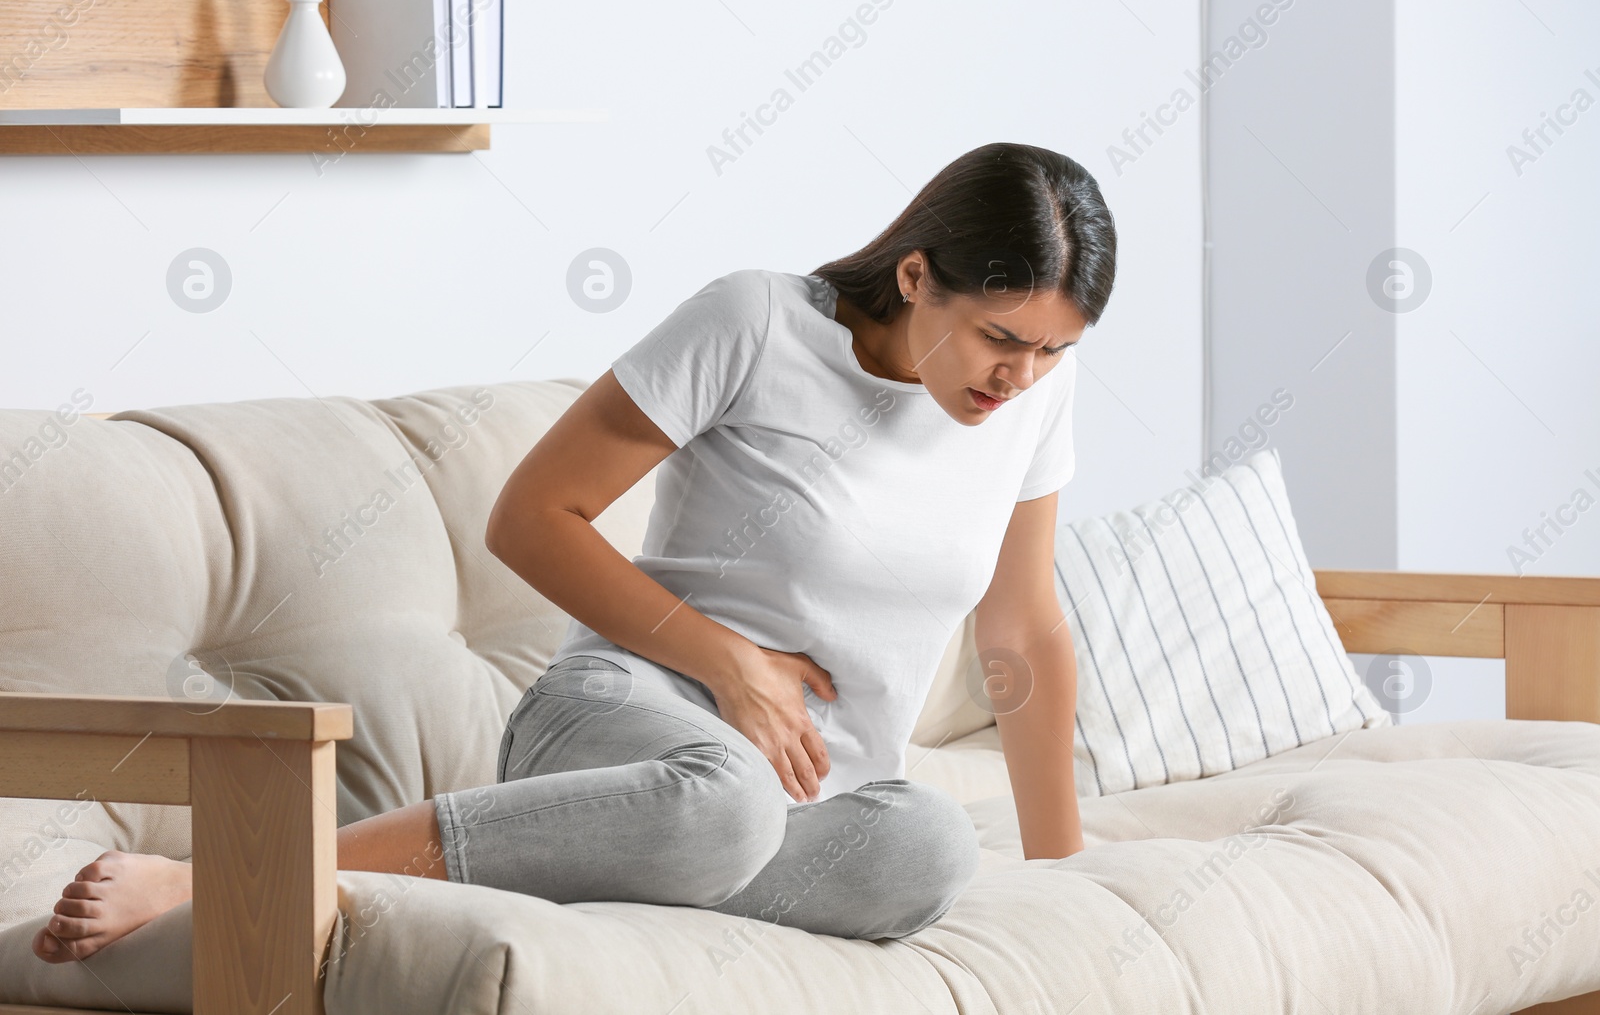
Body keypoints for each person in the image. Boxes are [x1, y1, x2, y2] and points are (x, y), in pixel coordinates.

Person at [33, 140, 1116, 963]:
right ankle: (216, 879)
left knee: (927, 843)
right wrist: (728, 666)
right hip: (623, 715)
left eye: (1054, 350)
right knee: (721, 803)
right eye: (1001, 339)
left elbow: (1022, 624)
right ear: (919, 274)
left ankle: (588, 869)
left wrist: (1063, 868)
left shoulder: (1031, 398)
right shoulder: (757, 323)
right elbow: (530, 515)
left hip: (810, 795)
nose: (1017, 377)